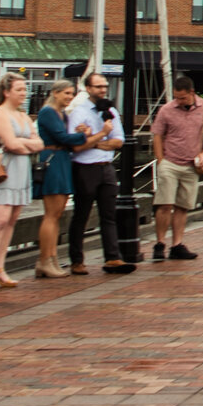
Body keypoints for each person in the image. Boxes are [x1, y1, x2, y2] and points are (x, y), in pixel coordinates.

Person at [67, 72, 133, 275]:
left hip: (106, 167)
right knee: (82, 215)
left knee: (109, 214)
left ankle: (113, 257)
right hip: (85, 167)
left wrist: (93, 141)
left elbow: (119, 141)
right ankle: (77, 261)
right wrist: (103, 134)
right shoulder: (79, 112)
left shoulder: (111, 110)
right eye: (98, 87)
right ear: (88, 88)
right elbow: (76, 147)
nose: (103, 90)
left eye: (104, 86)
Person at [0, 74, 42, 288]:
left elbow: (39, 143)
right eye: (19, 90)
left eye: (25, 90)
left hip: (22, 168)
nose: (24, 94)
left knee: (12, 218)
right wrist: (25, 143)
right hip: (5, 168)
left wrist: (22, 142)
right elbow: (10, 143)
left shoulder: (23, 116)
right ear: (6, 92)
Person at [148, 77, 203, 262]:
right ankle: (160, 242)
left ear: (192, 93)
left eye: (183, 98)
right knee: (165, 204)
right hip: (170, 161)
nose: (179, 101)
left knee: (183, 206)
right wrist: (160, 160)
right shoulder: (167, 110)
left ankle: (177, 244)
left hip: (192, 163)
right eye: (177, 98)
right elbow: (157, 135)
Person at [34, 80, 83, 278]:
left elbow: (65, 138)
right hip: (53, 160)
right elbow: (62, 137)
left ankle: (51, 258)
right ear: (55, 93)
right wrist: (83, 136)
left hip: (62, 159)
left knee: (58, 214)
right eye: (66, 93)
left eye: (72, 94)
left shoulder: (62, 114)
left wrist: (78, 135)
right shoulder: (48, 112)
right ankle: (45, 259)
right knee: (51, 214)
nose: (70, 97)